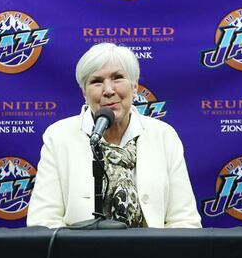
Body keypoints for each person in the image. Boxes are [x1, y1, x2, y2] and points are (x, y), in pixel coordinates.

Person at [27, 43, 202, 228]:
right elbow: (43, 221)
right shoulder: (59, 136)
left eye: (118, 78)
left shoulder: (164, 136)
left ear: (134, 87)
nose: (109, 90)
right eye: (96, 81)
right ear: (84, 92)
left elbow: (184, 221)